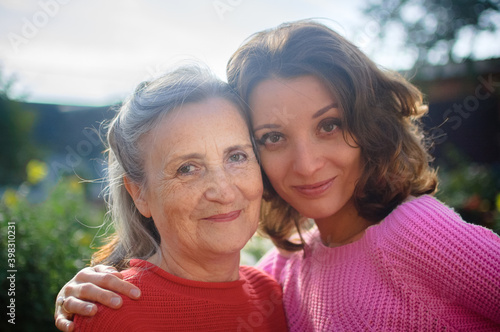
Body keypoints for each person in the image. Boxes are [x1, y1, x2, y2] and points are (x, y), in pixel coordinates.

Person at [55, 20, 500, 331]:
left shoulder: (417, 232)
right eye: (272, 137)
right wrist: (85, 289)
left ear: (368, 126)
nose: (305, 164)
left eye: (329, 125)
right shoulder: (282, 272)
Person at [58, 64, 288, 331]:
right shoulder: (113, 314)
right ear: (139, 194)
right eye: (187, 168)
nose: (223, 191)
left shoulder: (270, 294)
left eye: (236, 157)